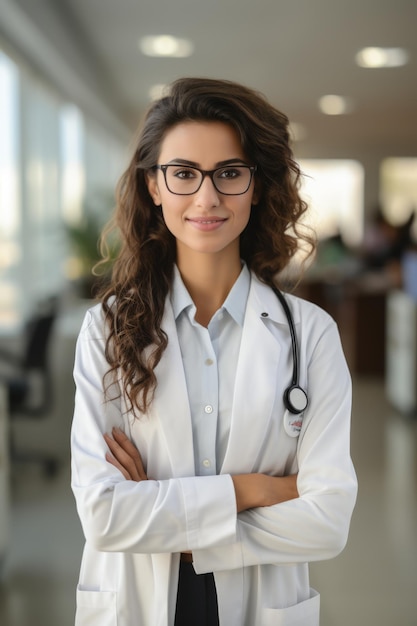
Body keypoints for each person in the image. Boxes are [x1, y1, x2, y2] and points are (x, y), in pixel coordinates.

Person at [71, 77, 357, 626]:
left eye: (229, 173)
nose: (207, 198)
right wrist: (258, 489)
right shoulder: (106, 330)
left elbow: (328, 519)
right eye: (183, 174)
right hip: (134, 601)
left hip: (260, 603)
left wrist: (169, 519)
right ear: (154, 186)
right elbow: (103, 516)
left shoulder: (311, 335)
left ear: (256, 185)